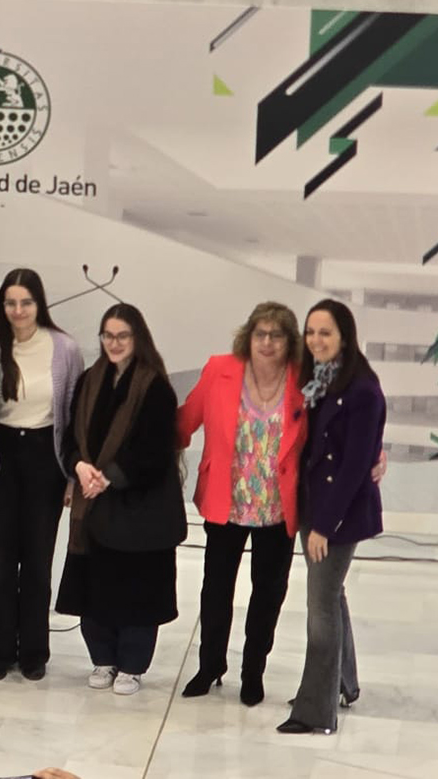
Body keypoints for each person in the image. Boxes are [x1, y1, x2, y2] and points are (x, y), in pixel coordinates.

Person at [177, 302, 305, 706]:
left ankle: (253, 672)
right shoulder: (220, 369)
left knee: (268, 595)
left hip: (277, 509)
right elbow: (186, 420)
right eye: (260, 334)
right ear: (248, 336)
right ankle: (210, 665)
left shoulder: (304, 379)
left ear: (290, 341)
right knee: (216, 591)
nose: (267, 342)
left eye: (276, 335)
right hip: (226, 503)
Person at [56, 304, 183, 697]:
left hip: (139, 507)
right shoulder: (90, 380)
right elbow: (71, 438)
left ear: (137, 338)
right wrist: (79, 467)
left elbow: (154, 451)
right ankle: (103, 658)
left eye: (122, 336)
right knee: (95, 586)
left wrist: (109, 477)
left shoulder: (155, 387)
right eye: (108, 336)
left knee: (136, 590)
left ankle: (131, 665)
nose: (114, 343)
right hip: (93, 503)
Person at [279, 300, 385, 735]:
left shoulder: (362, 390)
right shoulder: (317, 380)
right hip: (312, 505)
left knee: (320, 604)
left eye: (325, 332)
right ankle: (343, 683)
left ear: (345, 336)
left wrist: (325, 525)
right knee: (331, 593)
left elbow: (355, 466)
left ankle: (316, 712)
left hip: (337, 515)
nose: (315, 340)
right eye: (310, 332)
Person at [0, 268, 85, 682]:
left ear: (40, 304)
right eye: (10, 303)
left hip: (46, 456)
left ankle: (34, 652)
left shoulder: (65, 348)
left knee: (38, 561)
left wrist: (72, 477)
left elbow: (75, 416)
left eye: (26, 302)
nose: (18, 310)